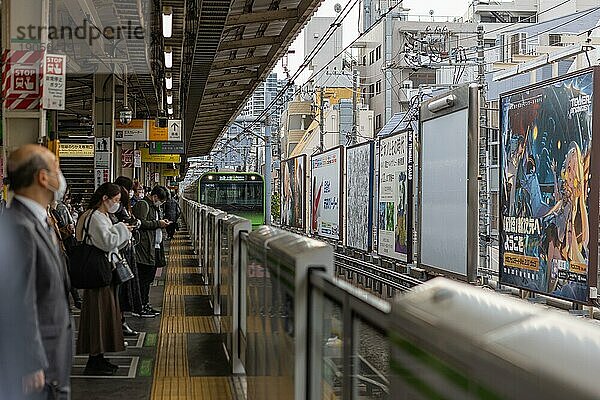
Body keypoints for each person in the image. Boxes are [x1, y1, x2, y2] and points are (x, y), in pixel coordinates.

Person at [2, 144, 72, 399]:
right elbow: (18, 300)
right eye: (57, 168)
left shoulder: (38, 221)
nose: (60, 176)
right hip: (37, 364)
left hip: (50, 356)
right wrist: (29, 361)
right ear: (43, 178)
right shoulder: (20, 227)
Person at [75, 183, 133, 375]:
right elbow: (108, 243)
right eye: (115, 200)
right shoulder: (96, 218)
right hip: (98, 276)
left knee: (104, 316)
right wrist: (122, 228)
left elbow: (112, 242)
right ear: (105, 198)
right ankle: (94, 360)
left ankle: (99, 358)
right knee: (98, 317)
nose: (117, 204)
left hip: (103, 274)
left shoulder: (102, 216)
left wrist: (122, 231)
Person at [112, 176, 144, 333]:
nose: (131, 192)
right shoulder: (117, 208)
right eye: (130, 189)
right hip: (119, 255)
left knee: (123, 289)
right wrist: (133, 224)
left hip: (123, 252)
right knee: (120, 290)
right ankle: (118, 323)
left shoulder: (121, 207)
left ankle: (120, 321)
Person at [132, 185, 170, 317]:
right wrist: (158, 223)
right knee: (144, 278)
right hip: (143, 248)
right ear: (154, 197)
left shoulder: (154, 206)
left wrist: (159, 223)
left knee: (148, 278)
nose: (161, 203)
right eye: (161, 200)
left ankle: (145, 304)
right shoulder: (143, 205)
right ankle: (140, 307)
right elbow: (140, 223)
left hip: (152, 247)